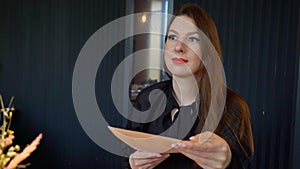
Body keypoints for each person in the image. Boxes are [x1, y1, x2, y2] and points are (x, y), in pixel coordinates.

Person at [121, 3, 254, 169]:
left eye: (192, 39)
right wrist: (132, 163)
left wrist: (227, 161)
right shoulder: (147, 97)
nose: (178, 47)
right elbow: (126, 155)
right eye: (173, 37)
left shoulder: (233, 108)